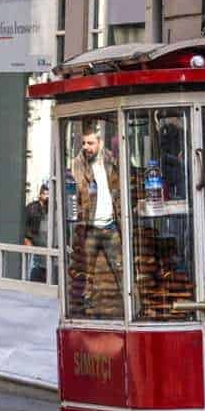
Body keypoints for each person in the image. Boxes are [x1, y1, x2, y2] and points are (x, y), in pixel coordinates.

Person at [70, 123, 123, 317]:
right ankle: (84, 311)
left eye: (90, 143)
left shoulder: (111, 160)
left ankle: (130, 306)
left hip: (110, 224)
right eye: (83, 143)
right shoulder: (79, 164)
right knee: (86, 273)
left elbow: (118, 188)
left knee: (120, 268)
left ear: (99, 143)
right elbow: (76, 186)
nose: (86, 147)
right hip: (91, 227)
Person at [23, 182, 49, 282]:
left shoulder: (50, 209)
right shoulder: (31, 207)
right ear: (40, 194)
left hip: (44, 243)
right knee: (33, 268)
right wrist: (27, 239)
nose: (47, 196)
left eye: (48, 194)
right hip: (34, 242)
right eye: (45, 194)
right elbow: (25, 224)